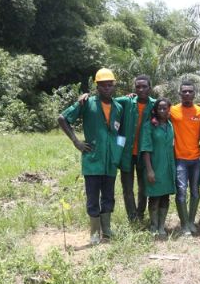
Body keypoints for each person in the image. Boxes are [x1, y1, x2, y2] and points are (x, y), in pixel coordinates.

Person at [58, 68, 124, 244]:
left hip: (110, 162)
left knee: (109, 196)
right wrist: (76, 141)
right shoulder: (87, 103)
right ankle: (94, 234)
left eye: (110, 85)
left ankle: (107, 232)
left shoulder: (118, 107)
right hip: (93, 160)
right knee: (93, 197)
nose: (107, 88)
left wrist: (118, 151)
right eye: (103, 85)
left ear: (114, 86)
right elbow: (62, 118)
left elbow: (120, 134)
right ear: (97, 86)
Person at [170, 81, 200, 235]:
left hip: (196, 159)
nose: (187, 94)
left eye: (190, 92)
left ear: (194, 94)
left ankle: (191, 222)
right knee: (181, 191)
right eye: (184, 92)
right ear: (179, 94)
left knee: (195, 191)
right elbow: (157, 112)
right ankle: (184, 224)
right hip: (179, 158)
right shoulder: (172, 110)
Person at [119, 75, 155, 224]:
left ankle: (140, 214)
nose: (141, 89)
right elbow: (105, 100)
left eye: (144, 86)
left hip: (144, 154)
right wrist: (86, 96)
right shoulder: (127, 101)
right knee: (127, 188)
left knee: (143, 187)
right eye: (138, 87)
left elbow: (172, 111)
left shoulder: (154, 104)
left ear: (149, 88)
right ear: (134, 88)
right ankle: (132, 218)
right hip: (126, 153)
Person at [141, 99, 176, 237]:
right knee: (154, 198)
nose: (163, 111)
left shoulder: (170, 125)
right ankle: (153, 226)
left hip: (168, 167)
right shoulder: (149, 126)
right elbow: (146, 149)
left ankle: (162, 226)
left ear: (169, 110)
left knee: (165, 197)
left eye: (165, 108)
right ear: (155, 110)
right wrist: (149, 170)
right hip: (155, 166)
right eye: (160, 108)